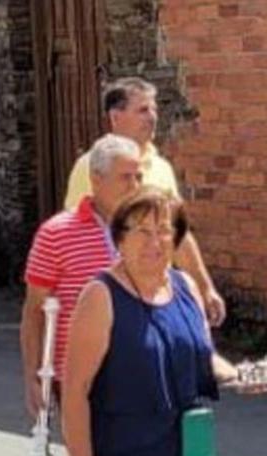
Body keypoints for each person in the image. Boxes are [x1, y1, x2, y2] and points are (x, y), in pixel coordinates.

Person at [61, 189, 222, 456]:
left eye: (164, 230)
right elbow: (75, 390)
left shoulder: (186, 287)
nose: (155, 242)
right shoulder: (101, 296)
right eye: (142, 231)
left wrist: (241, 375)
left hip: (188, 455)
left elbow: (203, 356)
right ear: (120, 237)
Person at [61, 77, 226, 326]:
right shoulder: (91, 167)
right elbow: (75, 235)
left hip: (159, 295)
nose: (152, 117)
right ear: (116, 118)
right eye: (142, 110)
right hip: (112, 300)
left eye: (154, 109)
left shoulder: (161, 167)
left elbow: (178, 236)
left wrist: (205, 288)